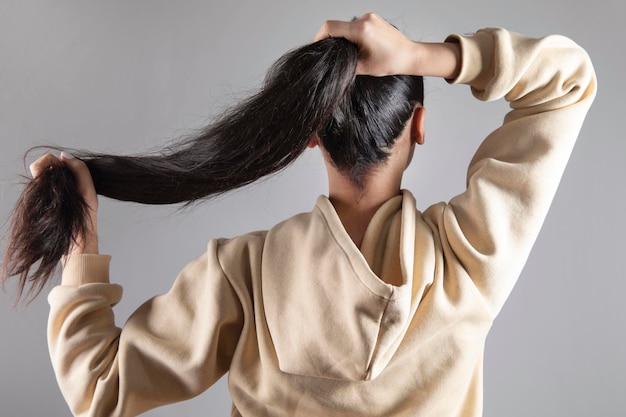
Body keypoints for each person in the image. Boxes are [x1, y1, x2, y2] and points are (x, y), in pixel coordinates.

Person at [12, 12, 596, 417]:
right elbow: (567, 83)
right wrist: (428, 57)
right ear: (419, 126)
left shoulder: (243, 273)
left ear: (311, 136)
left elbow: (99, 390)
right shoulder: (468, 257)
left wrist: (79, 251)